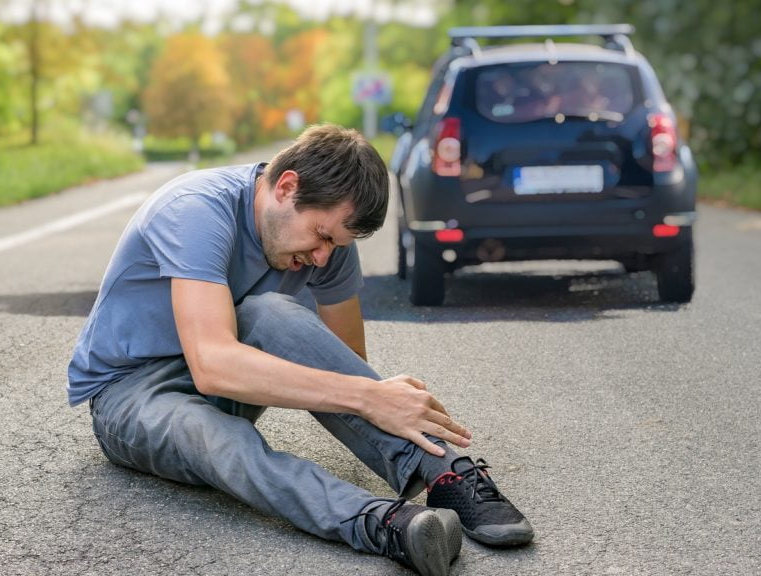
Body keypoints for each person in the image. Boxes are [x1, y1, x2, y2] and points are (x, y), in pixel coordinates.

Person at [68, 124, 534, 576]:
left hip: (224, 374)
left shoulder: (327, 244)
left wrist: (374, 399)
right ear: (287, 187)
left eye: (337, 243)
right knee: (215, 435)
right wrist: (370, 396)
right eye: (323, 235)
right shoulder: (194, 209)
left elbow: (345, 363)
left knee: (272, 312)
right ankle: (383, 524)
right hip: (130, 394)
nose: (323, 257)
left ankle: (447, 475)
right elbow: (211, 364)